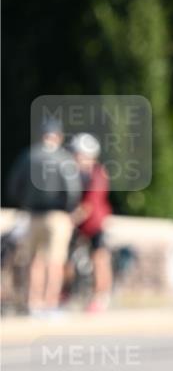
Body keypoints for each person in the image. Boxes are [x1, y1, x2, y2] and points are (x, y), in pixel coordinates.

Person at [5, 119, 81, 314]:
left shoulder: (28, 156)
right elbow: (73, 189)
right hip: (56, 215)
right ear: (58, 136)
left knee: (34, 261)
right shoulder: (64, 158)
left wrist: (23, 203)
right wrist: (69, 208)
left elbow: (13, 185)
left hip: (32, 214)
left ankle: (33, 301)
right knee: (54, 262)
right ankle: (50, 302)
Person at [68, 133, 113, 313]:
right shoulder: (77, 173)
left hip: (94, 223)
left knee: (99, 259)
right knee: (70, 259)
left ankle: (101, 296)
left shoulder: (97, 173)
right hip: (82, 223)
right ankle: (70, 293)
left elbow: (89, 204)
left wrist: (71, 219)